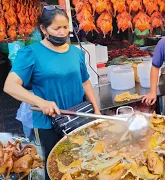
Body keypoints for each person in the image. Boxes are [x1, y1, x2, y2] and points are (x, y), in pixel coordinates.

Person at [3, 5, 100, 179]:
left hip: (77, 118)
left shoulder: (76, 53)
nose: (62, 32)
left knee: (83, 164)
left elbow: (85, 82)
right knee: (55, 169)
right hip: (48, 124)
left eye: (65, 27)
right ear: (43, 28)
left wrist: (96, 111)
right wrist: (41, 102)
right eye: (56, 28)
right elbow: (10, 86)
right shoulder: (31, 53)